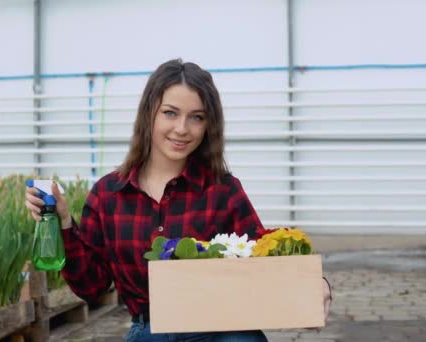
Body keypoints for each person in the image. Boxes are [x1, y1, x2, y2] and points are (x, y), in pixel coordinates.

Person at [25, 59, 332, 341]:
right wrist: (63, 222)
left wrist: (313, 283)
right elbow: (92, 288)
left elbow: (264, 253)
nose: (182, 129)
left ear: (208, 125)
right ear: (150, 114)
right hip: (151, 332)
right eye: (170, 113)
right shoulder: (109, 195)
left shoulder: (222, 190)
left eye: (196, 117)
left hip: (224, 332)